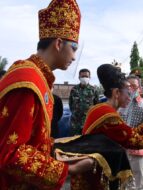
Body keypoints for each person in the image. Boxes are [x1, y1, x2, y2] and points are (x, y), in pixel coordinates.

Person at [0, 0, 94, 189]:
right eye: (73, 48)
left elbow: (33, 140)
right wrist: (69, 170)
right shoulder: (27, 80)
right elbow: (10, 154)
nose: (74, 56)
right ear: (59, 43)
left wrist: (58, 148)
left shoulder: (39, 77)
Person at [68, 64, 143, 190]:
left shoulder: (99, 109)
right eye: (128, 92)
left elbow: (127, 134)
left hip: (95, 171)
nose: (130, 97)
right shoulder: (108, 115)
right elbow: (134, 140)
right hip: (95, 177)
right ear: (116, 92)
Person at [119, 75, 143, 190]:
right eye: (128, 86)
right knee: (123, 183)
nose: (131, 89)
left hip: (137, 149)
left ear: (140, 88)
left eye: (134, 86)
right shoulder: (120, 105)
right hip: (121, 149)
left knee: (139, 184)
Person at [69, 68, 99, 135]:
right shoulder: (74, 90)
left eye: (86, 76)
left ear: (89, 77)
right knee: (74, 142)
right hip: (75, 124)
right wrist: (75, 113)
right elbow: (70, 103)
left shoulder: (93, 90)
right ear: (79, 77)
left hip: (88, 123)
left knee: (87, 143)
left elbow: (96, 105)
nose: (84, 78)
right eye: (82, 76)